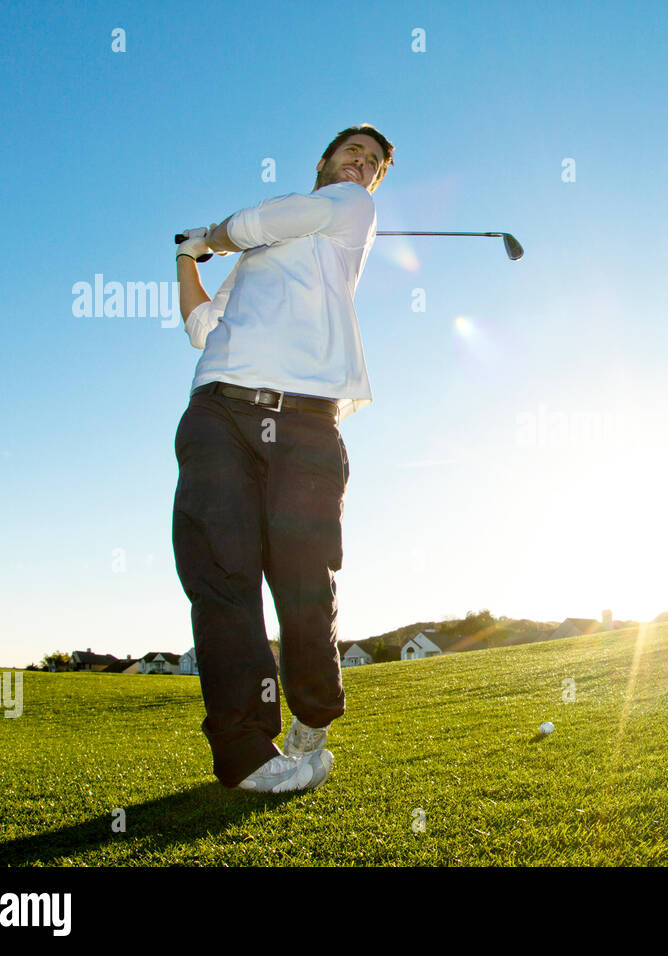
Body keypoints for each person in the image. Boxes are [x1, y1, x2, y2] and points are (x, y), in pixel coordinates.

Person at [171, 124, 395, 792]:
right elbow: (201, 328)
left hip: (304, 419)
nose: (362, 164)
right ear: (323, 160)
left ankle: (312, 715)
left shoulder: (347, 209)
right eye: (351, 153)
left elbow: (258, 220)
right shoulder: (257, 262)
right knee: (221, 575)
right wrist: (187, 259)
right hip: (219, 411)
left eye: (374, 163)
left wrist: (208, 235)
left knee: (304, 577)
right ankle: (243, 753)